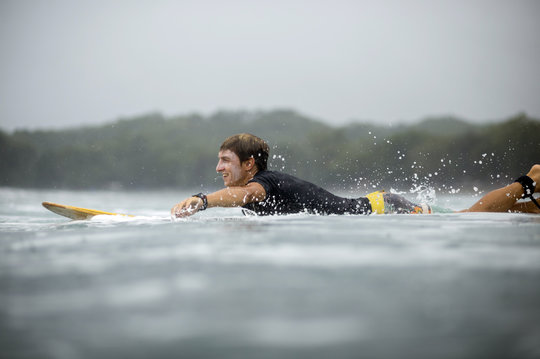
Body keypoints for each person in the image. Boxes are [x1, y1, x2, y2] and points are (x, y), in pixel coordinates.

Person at [171, 133, 540, 218]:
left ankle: (529, 181)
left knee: (466, 221)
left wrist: (201, 201)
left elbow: (244, 197)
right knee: (467, 218)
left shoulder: (262, 185)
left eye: (225, 160)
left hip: (382, 210)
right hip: (380, 206)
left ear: (250, 164)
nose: (218, 168)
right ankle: (532, 210)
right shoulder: (262, 187)